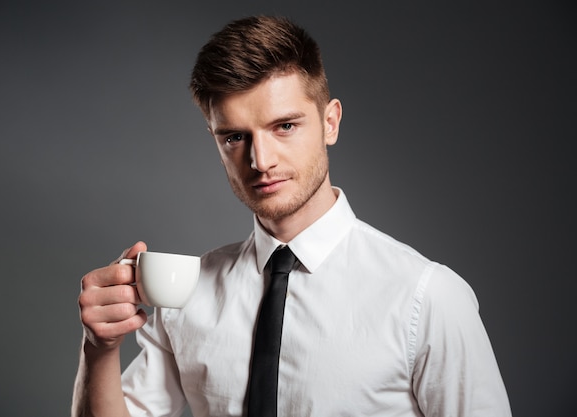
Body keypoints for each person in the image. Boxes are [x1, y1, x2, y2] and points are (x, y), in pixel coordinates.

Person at [72, 15, 512, 417]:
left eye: (284, 126)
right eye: (234, 137)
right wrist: (100, 349)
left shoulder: (427, 298)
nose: (260, 160)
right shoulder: (188, 296)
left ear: (330, 122)